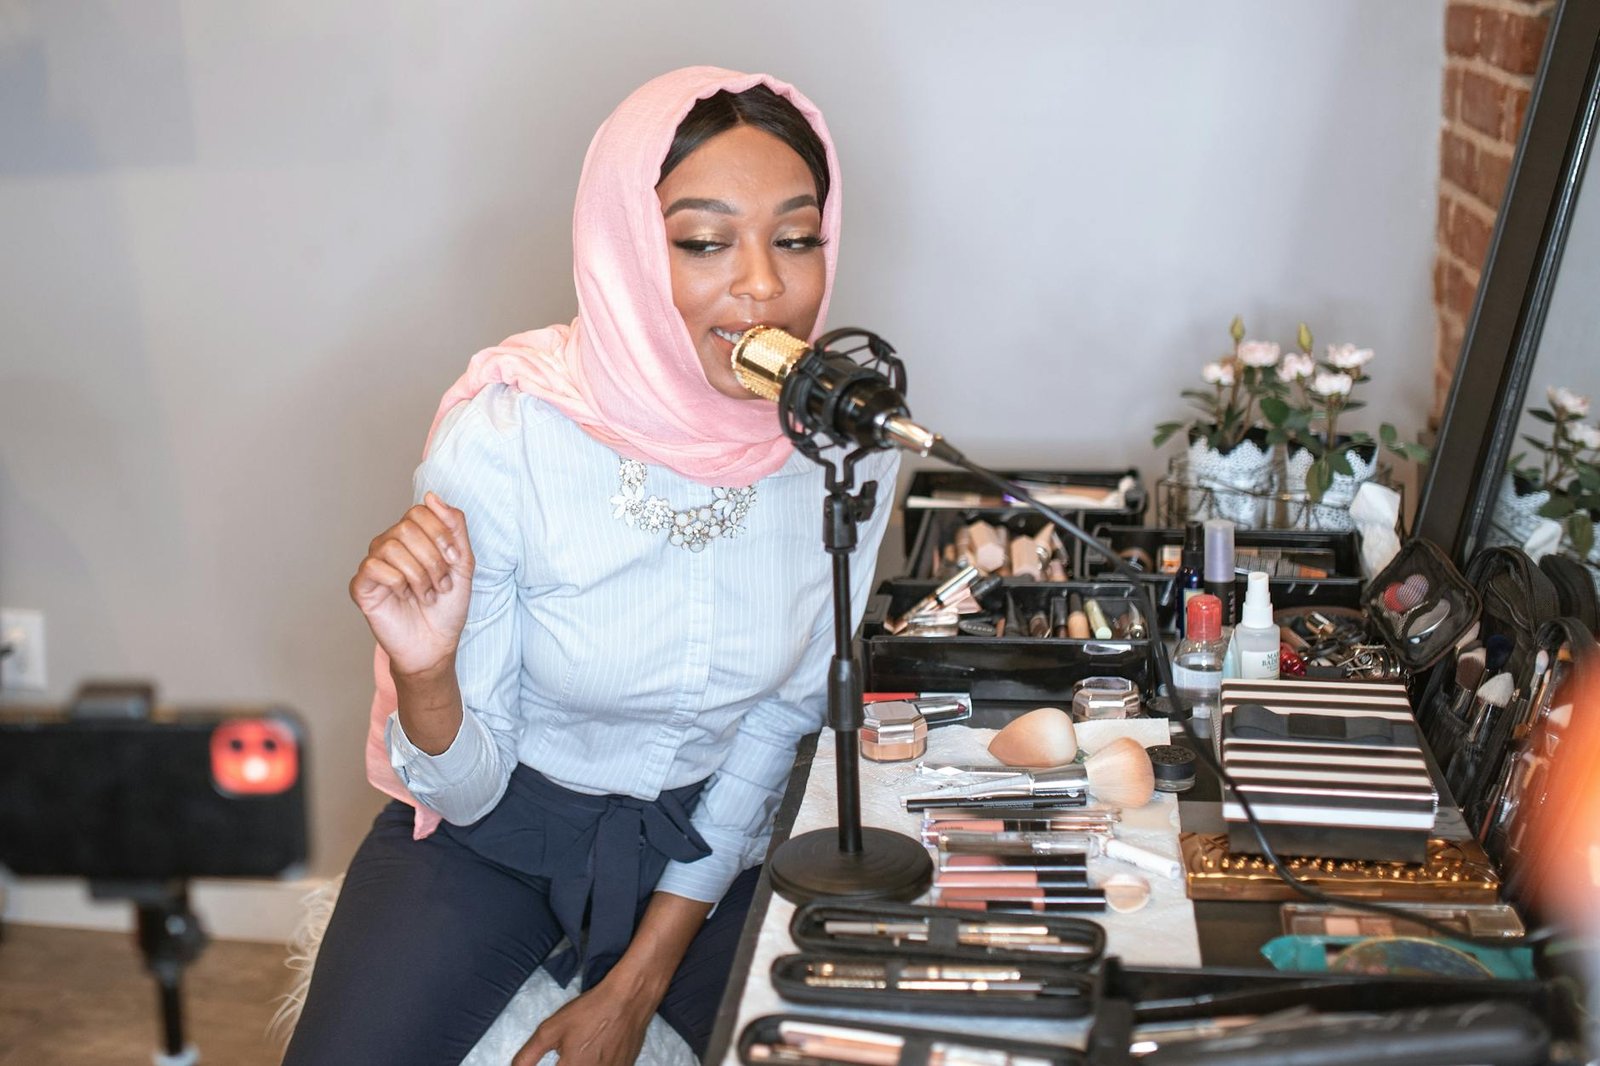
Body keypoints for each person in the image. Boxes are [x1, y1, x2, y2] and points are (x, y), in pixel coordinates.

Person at [283, 67, 898, 1066]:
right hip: (493, 839)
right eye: (703, 241)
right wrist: (426, 674)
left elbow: (779, 720)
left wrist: (640, 978)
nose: (763, 285)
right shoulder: (507, 437)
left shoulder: (845, 446)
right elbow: (469, 789)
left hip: (706, 844)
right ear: (619, 250)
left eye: (795, 237)